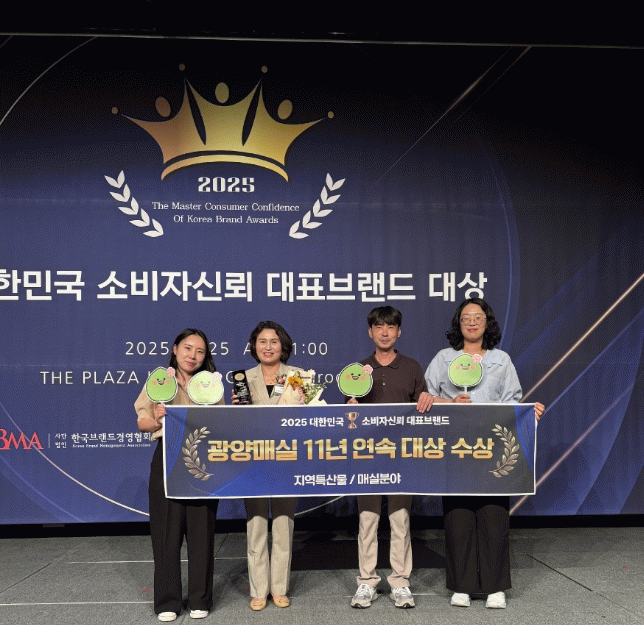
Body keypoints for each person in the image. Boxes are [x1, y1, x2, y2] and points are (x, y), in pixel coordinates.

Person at [424, 298, 545, 610]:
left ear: (487, 322)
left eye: (478, 317)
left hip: (493, 449)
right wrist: (450, 403)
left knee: (493, 516)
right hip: (456, 449)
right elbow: (426, 398)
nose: (472, 322)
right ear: (458, 323)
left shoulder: (501, 360)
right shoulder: (443, 358)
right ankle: (461, 586)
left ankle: (494, 587)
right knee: (458, 517)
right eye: (466, 317)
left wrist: (528, 412)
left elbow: (513, 400)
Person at [347, 306, 435, 609]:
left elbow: (422, 406)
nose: (384, 332)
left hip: (401, 455)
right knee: (367, 520)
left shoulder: (411, 367)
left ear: (399, 332)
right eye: (379, 327)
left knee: (400, 520)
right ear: (370, 332)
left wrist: (426, 397)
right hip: (367, 456)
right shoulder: (358, 369)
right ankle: (366, 581)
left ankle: (400, 581)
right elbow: (348, 418)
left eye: (390, 327)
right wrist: (350, 406)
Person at [135, 328, 223, 622]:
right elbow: (142, 422)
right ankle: (167, 601)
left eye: (200, 351)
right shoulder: (159, 382)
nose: (192, 355)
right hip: (167, 457)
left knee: (201, 532)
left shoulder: (211, 385)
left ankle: (200, 598)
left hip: (202, 461)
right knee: (166, 534)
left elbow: (222, 423)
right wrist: (156, 418)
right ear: (175, 349)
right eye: (187, 348)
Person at [234, 321, 300, 611]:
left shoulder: (297, 376)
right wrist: (238, 408)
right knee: (256, 524)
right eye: (262, 341)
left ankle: (279, 588)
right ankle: (259, 589)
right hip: (255, 460)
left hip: (286, 457)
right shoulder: (243, 378)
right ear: (254, 346)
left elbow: (307, 417)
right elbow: (238, 422)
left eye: (274, 341)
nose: (268, 347)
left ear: (283, 345)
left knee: (284, 525)